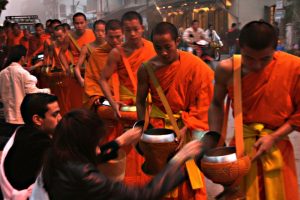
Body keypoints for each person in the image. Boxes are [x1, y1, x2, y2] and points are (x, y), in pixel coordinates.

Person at [208, 21, 299, 200]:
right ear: (240, 47)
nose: (257, 66)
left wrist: (273, 137)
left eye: (265, 59)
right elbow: (216, 104)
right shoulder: (227, 69)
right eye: (249, 58)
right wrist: (216, 138)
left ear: (276, 48)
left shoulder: (293, 67)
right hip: (242, 148)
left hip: (278, 146)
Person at [41, 108, 205, 200]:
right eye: (96, 144)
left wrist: (119, 141)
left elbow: (95, 156)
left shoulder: (56, 155)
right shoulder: (85, 176)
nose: (99, 149)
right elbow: (143, 195)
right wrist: (177, 160)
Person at [136, 22, 214, 200]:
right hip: (160, 131)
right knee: (161, 176)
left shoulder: (194, 65)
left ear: (177, 41)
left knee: (187, 176)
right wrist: (143, 129)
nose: (163, 52)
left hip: (186, 126)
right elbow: (140, 101)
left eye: (167, 47)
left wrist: (188, 126)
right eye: (158, 48)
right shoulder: (146, 69)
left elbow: (206, 101)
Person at [99, 11, 156, 185]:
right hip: (127, 107)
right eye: (128, 30)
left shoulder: (152, 48)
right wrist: (112, 102)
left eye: (135, 29)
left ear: (142, 29)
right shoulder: (117, 53)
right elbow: (102, 79)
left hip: (150, 104)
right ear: (123, 30)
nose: (132, 34)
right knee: (129, 151)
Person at [0, 93, 61, 200]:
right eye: (55, 115)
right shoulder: (41, 146)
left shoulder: (21, 132)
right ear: (37, 119)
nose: (60, 118)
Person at [84, 19, 123, 143]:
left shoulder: (129, 52)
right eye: (111, 37)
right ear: (106, 35)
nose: (115, 41)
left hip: (127, 100)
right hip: (105, 100)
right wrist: (96, 97)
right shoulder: (98, 54)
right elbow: (91, 78)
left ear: (123, 35)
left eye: (118, 37)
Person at [0, 45, 50, 139]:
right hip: (22, 117)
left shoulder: (2, 73)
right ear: (22, 58)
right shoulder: (22, 73)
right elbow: (33, 93)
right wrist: (48, 91)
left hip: (7, 116)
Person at [59, 12, 96, 111]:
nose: (79, 26)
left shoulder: (92, 33)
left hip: (92, 71)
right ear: (73, 24)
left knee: (92, 100)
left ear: (86, 22)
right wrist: (67, 68)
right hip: (77, 72)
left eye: (81, 23)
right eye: (77, 23)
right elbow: (61, 53)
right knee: (78, 100)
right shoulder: (69, 37)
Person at [74, 20, 106, 87]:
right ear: (93, 31)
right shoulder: (86, 48)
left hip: (108, 81)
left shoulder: (111, 47)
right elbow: (77, 67)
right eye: (97, 31)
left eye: (103, 31)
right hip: (93, 82)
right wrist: (80, 79)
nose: (100, 33)